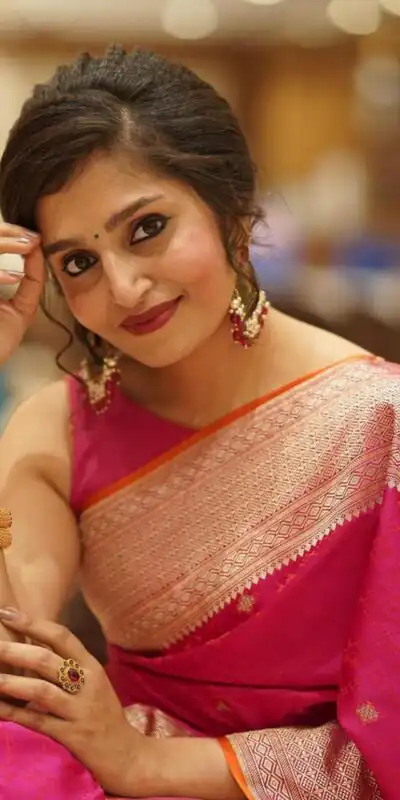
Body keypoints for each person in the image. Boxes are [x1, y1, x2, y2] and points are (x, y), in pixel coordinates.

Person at [0, 45, 398, 800]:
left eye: (146, 228)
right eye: (79, 263)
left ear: (231, 210)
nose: (124, 286)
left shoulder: (381, 424)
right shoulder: (60, 427)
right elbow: (14, 661)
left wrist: (148, 764)